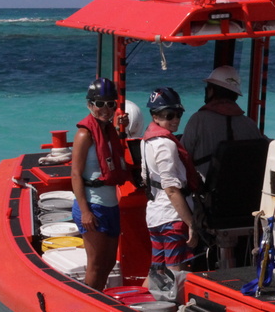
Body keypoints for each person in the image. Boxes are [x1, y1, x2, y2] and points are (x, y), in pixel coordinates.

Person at [70, 77, 128, 291]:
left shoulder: (109, 131)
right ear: (90, 104)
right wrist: (85, 211)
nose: (105, 109)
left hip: (110, 205)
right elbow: (76, 174)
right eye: (100, 104)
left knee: (109, 263)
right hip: (93, 206)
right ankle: (88, 303)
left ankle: (98, 297)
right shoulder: (84, 134)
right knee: (95, 265)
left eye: (110, 104)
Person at [140, 87, 200, 274]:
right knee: (176, 270)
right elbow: (172, 189)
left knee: (158, 270)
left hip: (155, 215)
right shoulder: (166, 145)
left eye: (178, 114)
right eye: (169, 115)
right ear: (155, 116)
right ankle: (175, 303)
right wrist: (191, 223)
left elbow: (145, 177)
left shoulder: (146, 141)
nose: (175, 120)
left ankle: (151, 300)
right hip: (172, 217)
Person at [180, 65, 264, 179]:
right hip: (244, 190)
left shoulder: (198, 120)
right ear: (235, 95)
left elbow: (183, 157)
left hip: (206, 193)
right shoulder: (250, 124)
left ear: (211, 91)